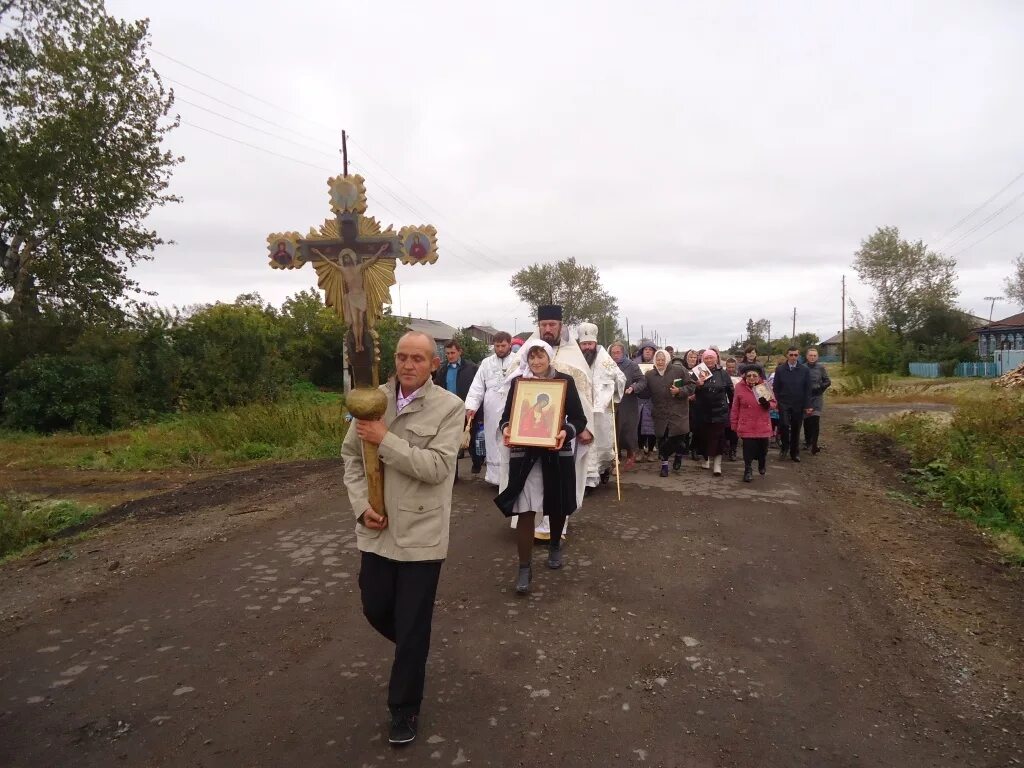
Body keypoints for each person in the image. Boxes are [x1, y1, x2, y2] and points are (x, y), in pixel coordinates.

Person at [340, 331, 464, 746]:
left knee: (411, 627)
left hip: (421, 534)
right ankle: (415, 649)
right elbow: (350, 459)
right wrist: (361, 506)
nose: (408, 365)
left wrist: (385, 440)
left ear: (434, 365)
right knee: (375, 608)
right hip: (377, 530)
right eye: (401, 357)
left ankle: (404, 709)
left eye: (418, 358)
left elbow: (437, 467)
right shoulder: (370, 400)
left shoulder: (450, 407)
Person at [495, 339, 588, 593]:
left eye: (541, 357)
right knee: (525, 509)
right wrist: (506, 429)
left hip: (555, 453)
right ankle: (524, 567)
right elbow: (506, 418)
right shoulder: (519, 384)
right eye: (532, 357)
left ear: (549, 358)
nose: (536, 362)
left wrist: (565, 432)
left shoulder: (564, 382)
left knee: (556, 504)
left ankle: (555, 543)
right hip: (525, 456)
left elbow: (579, 419)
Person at [511, 305, 594, 540]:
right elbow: (511, 386)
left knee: (557, 480)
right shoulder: (527, 353)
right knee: (530, 479)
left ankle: (555, 528)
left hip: (561, 434)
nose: (548, 329)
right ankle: (529, 522)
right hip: (530, 432)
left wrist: (583, 428)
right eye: (543, 325)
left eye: (552, 325)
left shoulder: (574, 356)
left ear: (561, 326)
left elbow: (585, 394)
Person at [465, 332, 519, 485]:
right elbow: (477, 386)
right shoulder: (486, 362)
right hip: (491, 405)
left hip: (511, 405)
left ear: (509, 344)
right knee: (491, 439)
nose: (500, 349)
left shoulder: (518, 360)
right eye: (497, 346)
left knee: (509, 438)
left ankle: (510, 477)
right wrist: (472, 406)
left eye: (503, 345)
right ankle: (495, 478)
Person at [577, 322, 626, 489]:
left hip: (601, 411)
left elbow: (621, 378)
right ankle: (589, 481)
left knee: (603, 444)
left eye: (589, 344)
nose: (587, 347)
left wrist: (612, 386)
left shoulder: (606, 360)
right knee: (586, 445)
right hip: (582, 409)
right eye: (584, 344)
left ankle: (604, 470)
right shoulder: (576, 358)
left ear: (595, 343)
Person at [638, 349, 696, 477]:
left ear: (668, 359)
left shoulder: (679, 370)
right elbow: (646, 393)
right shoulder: (650, 375)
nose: (660, 362)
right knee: (662, 440)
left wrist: (679, 391)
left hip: (678, 412)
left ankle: (679, 455)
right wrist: (635, 388)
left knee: (678, 440)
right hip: (660, 413)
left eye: (662, 359)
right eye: (658, 360)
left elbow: (691, 386)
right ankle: (664, 466)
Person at [433, 339, 481, 476]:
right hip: (449, 410)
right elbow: (437, 387)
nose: (450, 356)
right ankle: (453, 475)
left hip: (467, 409)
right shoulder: (442, 369)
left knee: (470, 438)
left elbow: (478, 389)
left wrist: (475, 407)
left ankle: (477, 462)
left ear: (460, 352)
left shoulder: (471, 368)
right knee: (451, 441)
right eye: (447, 353)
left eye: (452, 352)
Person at [693, 348, 734, 477]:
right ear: (702, 359)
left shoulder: (723, 373)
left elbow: (730, 390)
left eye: (711, 358)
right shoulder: (698, 372)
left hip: (719, 411)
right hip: (702, 411)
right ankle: (706, 459)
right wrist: (698, 385)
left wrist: (733, 406)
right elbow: (690, 391)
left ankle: (717, 464)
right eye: (706, 358)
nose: (709, 360)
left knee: (719, 438)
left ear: (716, 359)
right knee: (704, 436)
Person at [731, 368, 776, 481]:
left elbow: (774, 403)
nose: (751, 378)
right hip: (747, 423)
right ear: (745, 377)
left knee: (763, 449)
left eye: (754, 375)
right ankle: (748, 469)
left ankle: (762, 462)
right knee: (748, 449)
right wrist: (734, 423)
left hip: (762, 423)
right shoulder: (739, 387)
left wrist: (767, 404)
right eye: (749, 375)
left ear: (759, 377)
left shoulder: (764, 386)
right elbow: (735, 407)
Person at [609, 341, 645, 470]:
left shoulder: (631, 365)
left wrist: (633, 387)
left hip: (627, 403)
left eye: (618, 352)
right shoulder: (607, 365)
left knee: (628, 430)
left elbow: (641, 380)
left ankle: (631, 453)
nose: (615, 355)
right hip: (611, 403)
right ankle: (616, 459)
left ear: (623, 353)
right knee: (614, 430)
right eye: (613, 353)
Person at [773, 346, 813, 462]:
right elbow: (776, 387)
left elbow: (808, 389)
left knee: (796, 428)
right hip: (784, 402)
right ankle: (784, 448)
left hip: (798, 403)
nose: (793, 357)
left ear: (798, 356)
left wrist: (807, 405)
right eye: (791, 355)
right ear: (787, 355)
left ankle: (794, 452)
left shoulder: (804, 370)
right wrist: (776, 402)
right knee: (784, 425)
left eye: (796, 355)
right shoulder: (780, 369)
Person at [803, 347, 831, 454]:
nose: (812, 357)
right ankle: (808, 441)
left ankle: (814, 445)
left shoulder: (821, 368)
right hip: (806, 398)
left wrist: (820, 386)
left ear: (817, 357)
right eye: (810, 355)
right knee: (807, 421)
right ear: (807, 356)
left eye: (814, 355)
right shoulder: (802, 368)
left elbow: (828, 381)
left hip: (817, 398)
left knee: (815, 420)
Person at [633, 339, 658, 461]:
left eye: (650, 350)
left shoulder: (658, 364)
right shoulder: (635, 364)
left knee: (651, 427)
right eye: (646, 350)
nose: (648, 352)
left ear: (654, 352)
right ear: (642, 352)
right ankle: (640, 450)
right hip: (638, 399)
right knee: (638, 426)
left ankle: (651, 451)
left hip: (653, 399)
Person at [680, 349, 703, 461]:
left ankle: (694, 448)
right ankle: (683, 447)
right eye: (690, 357)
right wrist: (685, 395)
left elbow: (705, 385)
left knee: (696, 426)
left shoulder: (701, 369)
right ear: (686, 358)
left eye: (694, 357)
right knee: (684, 425)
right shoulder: (681, 369)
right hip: (683, 401)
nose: (693, 360)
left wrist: (696, 395)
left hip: (697, 402)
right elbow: (678, 384)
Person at [724, 357, 741, 461]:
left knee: (734, 428)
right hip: (724, 404)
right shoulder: (723, 374)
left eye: (732, 367)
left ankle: (733, 449)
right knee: (725, 427)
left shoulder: (739, 376)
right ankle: (725, 446)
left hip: (736, 404)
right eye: (729, 367)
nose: (730, 369)